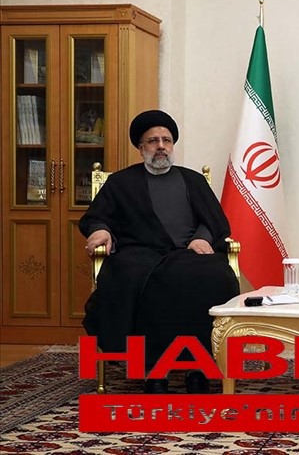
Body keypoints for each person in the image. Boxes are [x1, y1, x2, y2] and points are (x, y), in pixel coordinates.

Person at [80, 110, 240, 394]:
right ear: (141, 147)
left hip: (188, 253)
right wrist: (101, 230)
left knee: (216, 276)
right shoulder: (121, 183)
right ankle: (154, 371)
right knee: (135, 278)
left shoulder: (193, 180)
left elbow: (215, 221)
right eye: (153, 141)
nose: (161, 146)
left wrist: (201, 238)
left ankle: (198, 368)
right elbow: (98, 217)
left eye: (166, 140)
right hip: (139, 254)